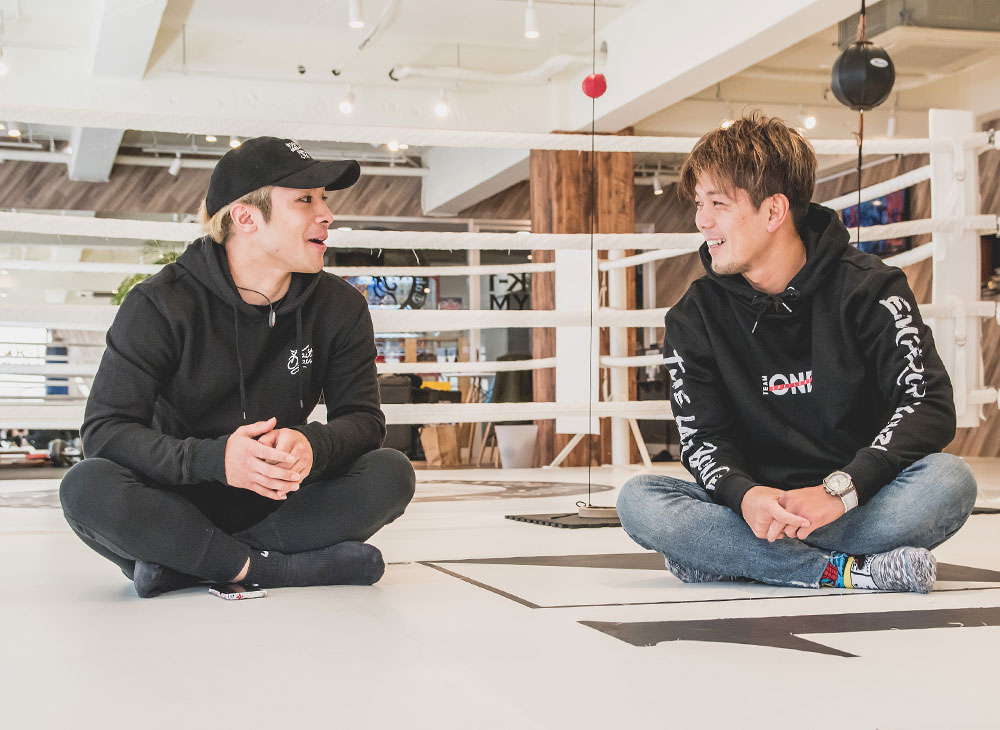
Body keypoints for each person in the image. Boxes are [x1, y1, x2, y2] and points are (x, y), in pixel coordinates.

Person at [617, 113, 978, 594]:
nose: (702, 220)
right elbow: (702, 438)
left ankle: (734, 558)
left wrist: (839, 492)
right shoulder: (694, 316)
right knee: (640, 501)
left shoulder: (871, 288)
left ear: (773, 212)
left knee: (950, 481)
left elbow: (928, 404)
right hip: (753, 510)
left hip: (854, 500)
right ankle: (843, 570)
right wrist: (747, 497)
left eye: (718, 203)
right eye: (700, 203)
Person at [60, 136, 415, 598]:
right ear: (245, 217)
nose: (327, 214)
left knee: (391, 473)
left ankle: (196, 565)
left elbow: (364, 421)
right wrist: (217, 460)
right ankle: (278, 568)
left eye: (323, 199)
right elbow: (105, 431)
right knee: (86, 487)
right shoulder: (159, 304)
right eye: (305, 200)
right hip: (176, 498)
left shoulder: (340, 307)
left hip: (282, 498)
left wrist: (313, 445)